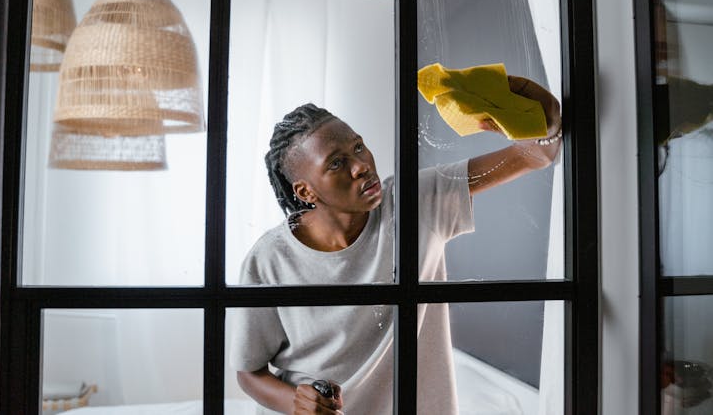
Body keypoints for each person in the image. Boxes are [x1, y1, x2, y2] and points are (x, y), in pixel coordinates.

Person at [230, 74, 562, 415]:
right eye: (336, 163)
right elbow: (248, 371)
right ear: (305, 192)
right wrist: (295, 401)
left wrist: (520, 97)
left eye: (358, 147)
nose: (361, 167)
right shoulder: (269, 259)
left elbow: (538, 155)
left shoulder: (415, 202)